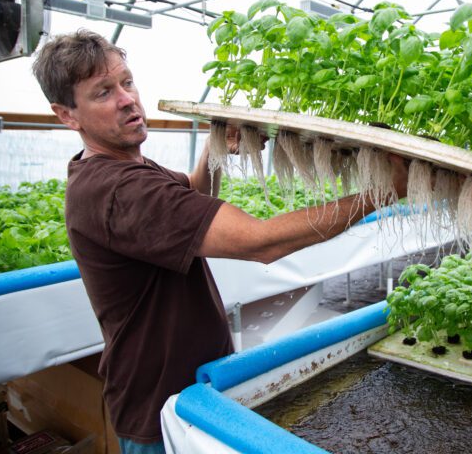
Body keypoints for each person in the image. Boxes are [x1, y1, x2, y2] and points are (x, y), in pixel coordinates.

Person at [31, 29, 408, 454]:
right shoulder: (118, 191)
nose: (127, 99)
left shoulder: (124, 169)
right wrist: (386, 190)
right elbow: (260, 242)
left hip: (190, 388)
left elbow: (194, 191)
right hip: (161, 414)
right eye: (103, 92)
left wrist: (216, 150)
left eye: (127, 81)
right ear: (67, 115)